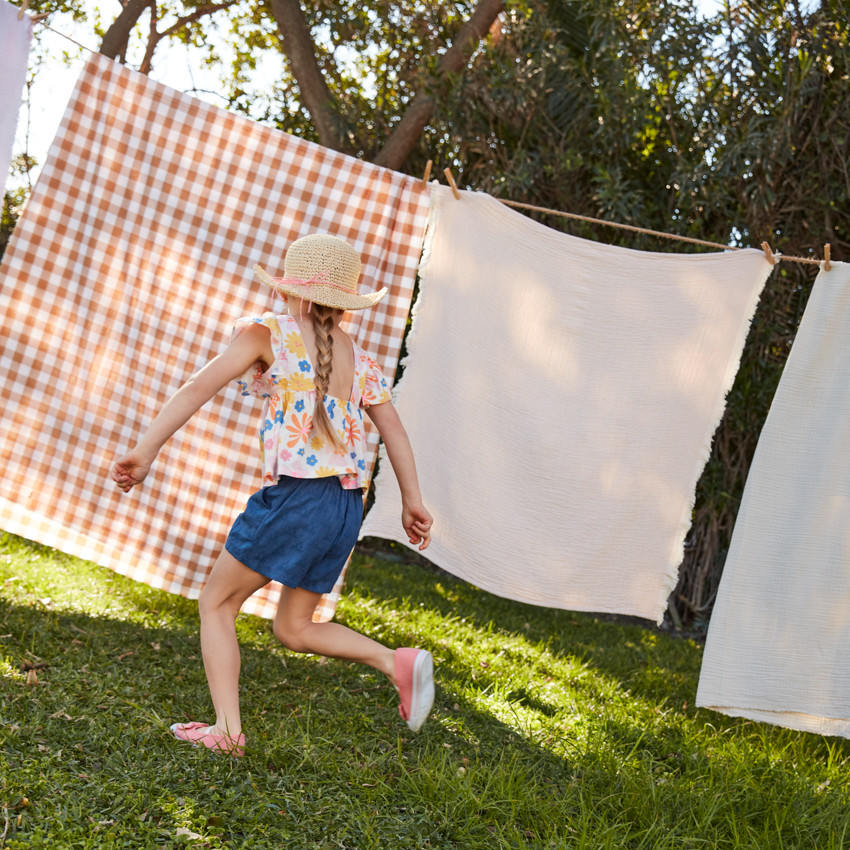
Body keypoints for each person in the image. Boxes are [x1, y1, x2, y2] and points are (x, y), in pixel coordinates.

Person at [111, 234, 434, 757]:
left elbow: (198, 387)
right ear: (345, 302)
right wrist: (412, 501)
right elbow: (393, 431)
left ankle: (227, 731)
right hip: (344, 506)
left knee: (217, 603)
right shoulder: (360, 357)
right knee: (294, 627)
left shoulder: (268, 332)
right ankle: (395, 661)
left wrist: (145, 450)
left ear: (289, 290)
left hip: (297, 499)